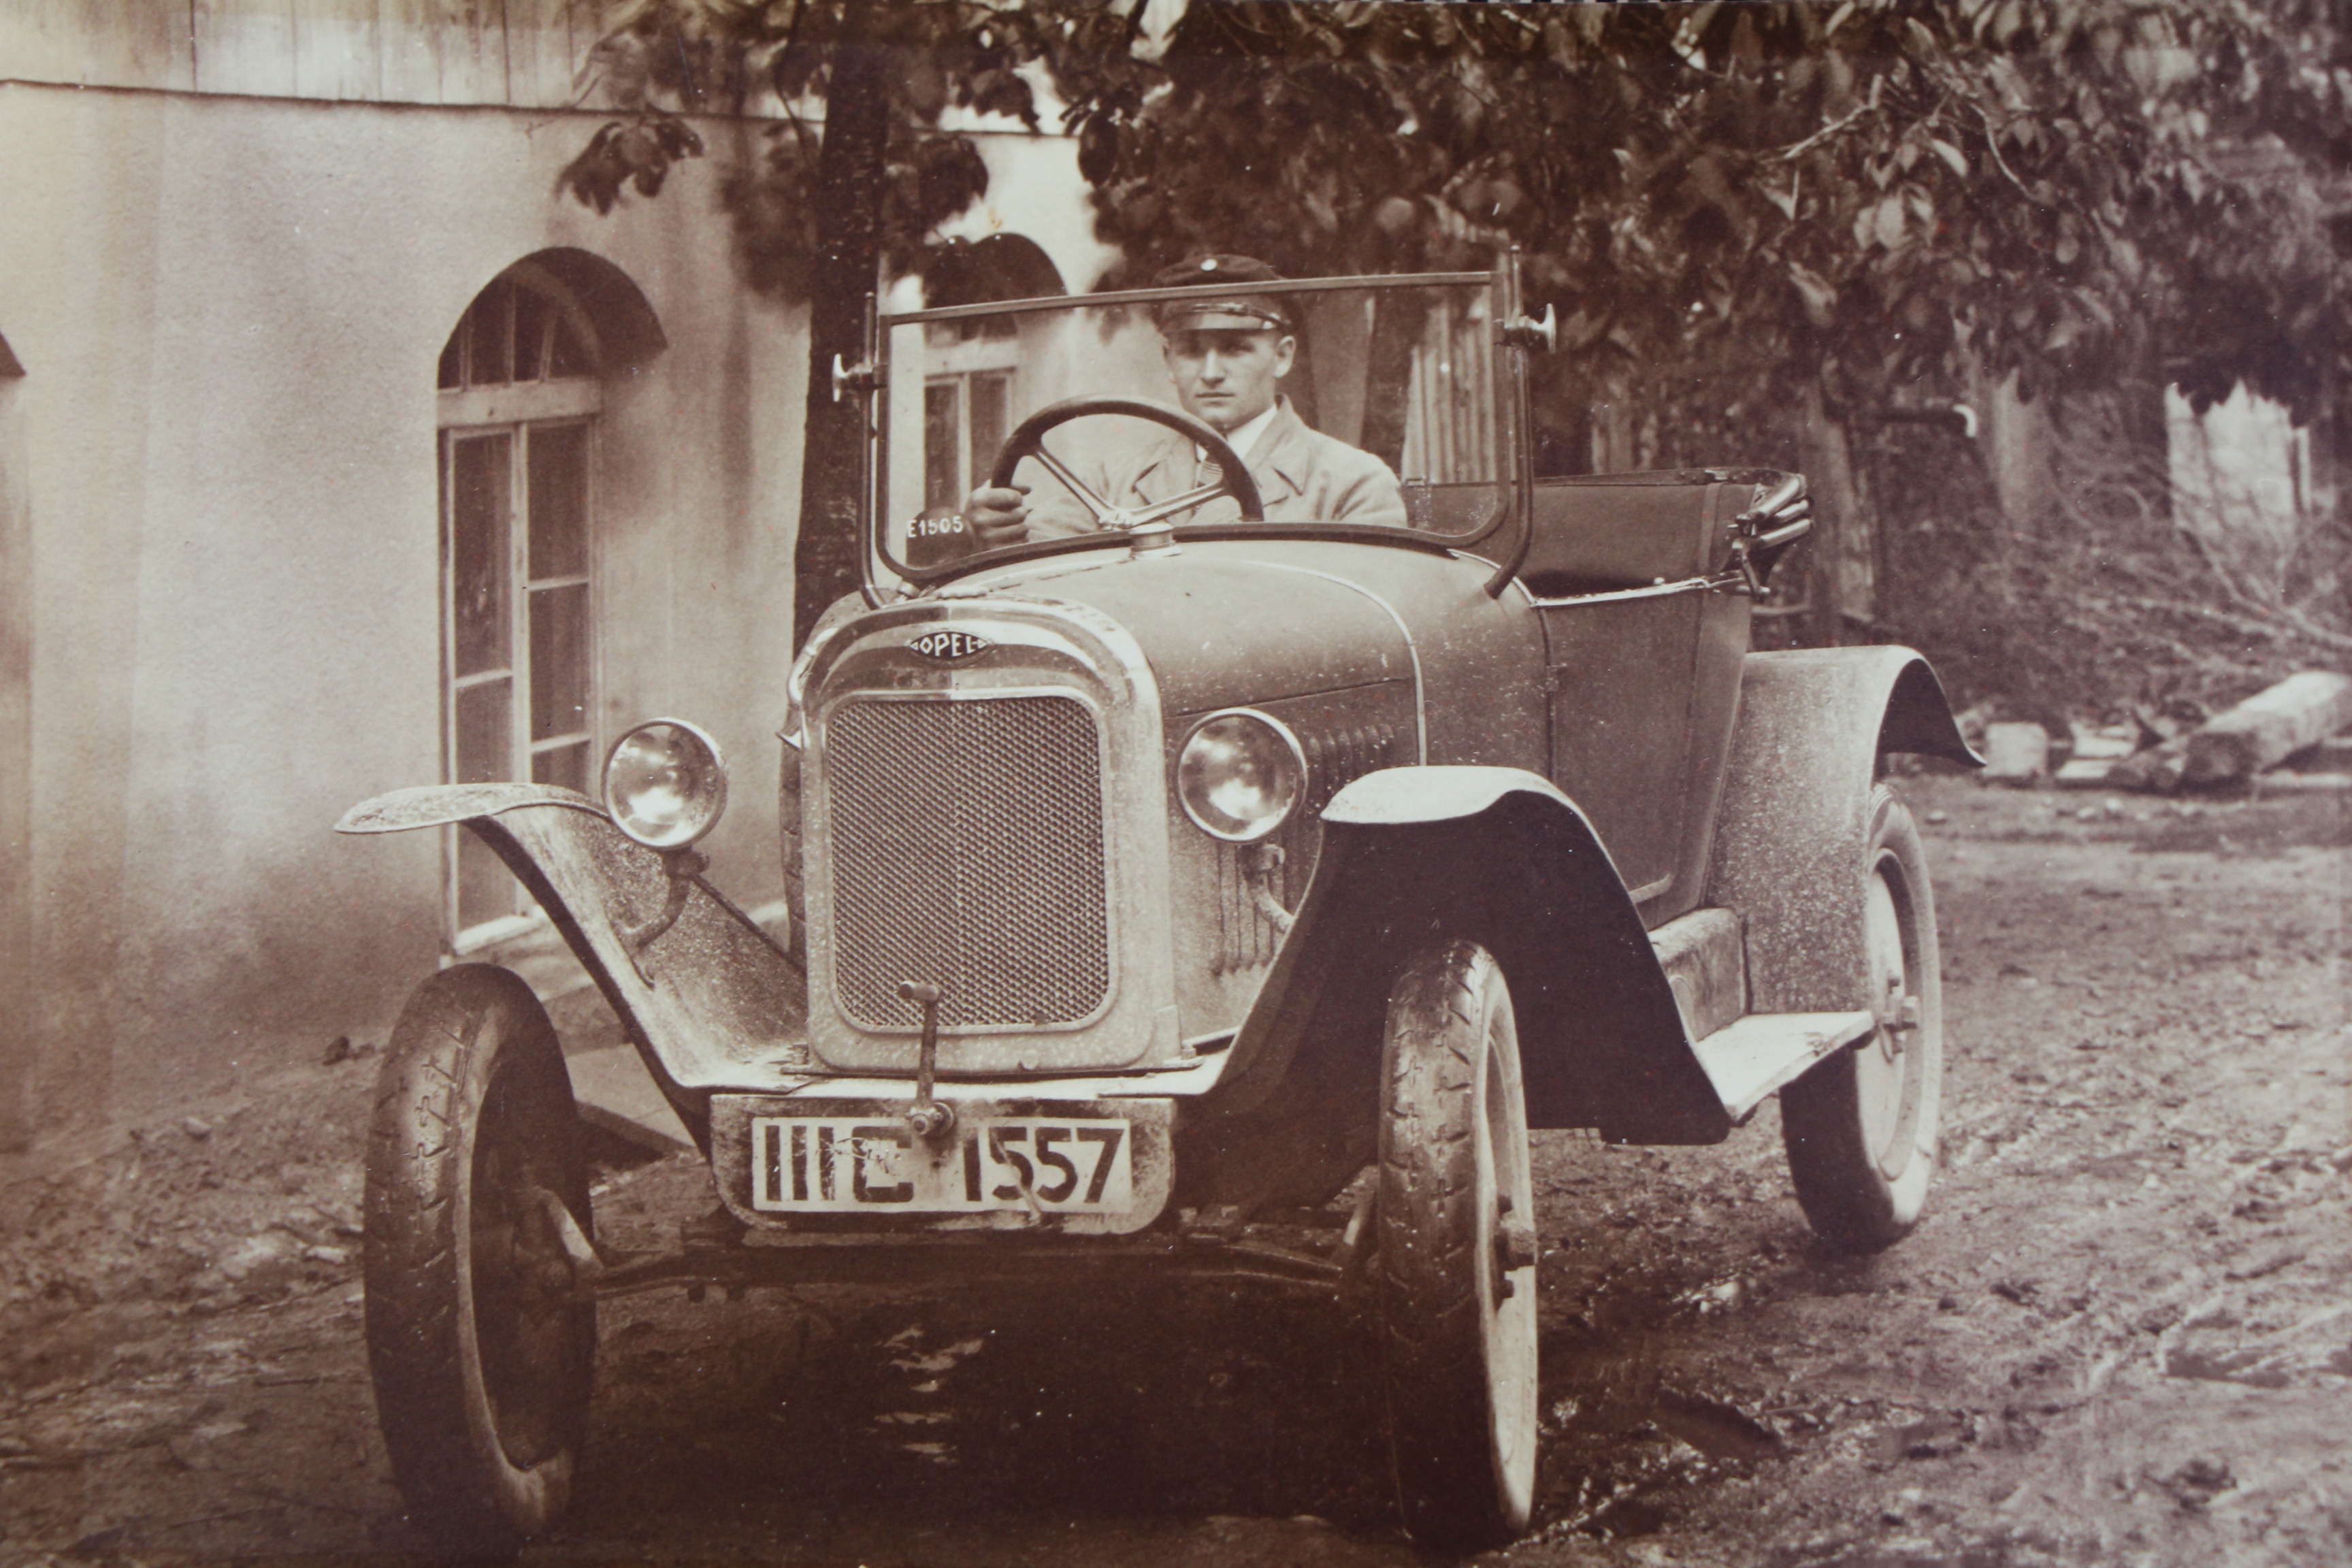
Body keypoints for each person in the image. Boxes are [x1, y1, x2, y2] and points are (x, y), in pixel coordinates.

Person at [964, 256, 1407, 547]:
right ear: (1169, 361)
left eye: (1235, 348)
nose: (1211, 372)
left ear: (1282, 356)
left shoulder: (1352, 482)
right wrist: (1001, 530)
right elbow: (1045, 570)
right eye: (1192, 351)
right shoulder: (1110, 482)